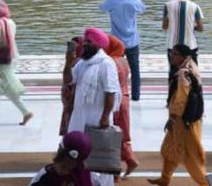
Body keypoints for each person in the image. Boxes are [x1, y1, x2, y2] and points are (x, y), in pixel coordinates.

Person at [64, 27, 121, 186]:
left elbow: (111, 92)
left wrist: (104, 117)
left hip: (98, 116)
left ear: (98, 44)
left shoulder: (106, 64)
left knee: (100, 155)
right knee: (76, 150)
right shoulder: (82, 62)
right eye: (85, 41)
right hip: (80, 114)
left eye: (89, 42)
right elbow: (69, 80)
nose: (85, 44)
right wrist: (68, 63)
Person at [147, 44, 207, 186]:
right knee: (169, 148)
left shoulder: (183, 73)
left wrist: (172, 118)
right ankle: (165, 178)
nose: (171, 56)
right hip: (184, 119)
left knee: (192, 157)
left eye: (174, 54)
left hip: (184, 121)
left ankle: (206, 183)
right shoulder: (191, 65)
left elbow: (181, 99)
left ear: (183, 57)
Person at [99, 0, 146, 101]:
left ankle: (116, 92)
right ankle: (136, 96)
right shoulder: (136, 3)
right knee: (135, 70)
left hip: (116, 42)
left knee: (114, 69)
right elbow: (143, 8)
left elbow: (101, 8)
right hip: (132, 42)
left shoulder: (112, 3)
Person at [105, 34, 139, 179]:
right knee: (122, 134)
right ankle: (129, 159)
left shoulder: (111, 62)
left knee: (112, 136)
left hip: (116, 102)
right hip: (124, 99)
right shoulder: (123, 60)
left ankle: (115, 171)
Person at [29, 130, 104, 185]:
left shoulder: (45, 175)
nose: (63, 171)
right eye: (63, 166)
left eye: (68, 168)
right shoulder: (90, 177)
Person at [163, 0, 204, 69]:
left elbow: (165, 26)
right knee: (192, 73)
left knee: (174, 73)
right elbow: (201, 28)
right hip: (190, 45)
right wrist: (193, 27)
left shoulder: (167, 5)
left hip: (172, 46)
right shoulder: (195, 6)